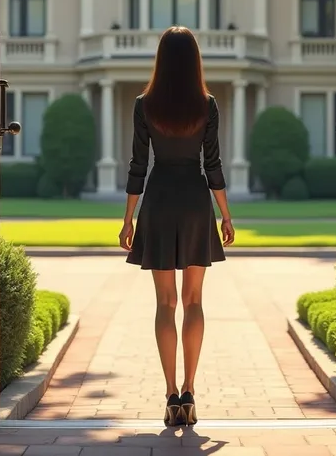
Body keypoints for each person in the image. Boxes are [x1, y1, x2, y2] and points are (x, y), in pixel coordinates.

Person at [118, 26, 235, 428]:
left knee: (165, 304)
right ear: (195, 60)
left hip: (159, 200)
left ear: (161, 60)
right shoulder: (207, 104)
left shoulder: (144, 104)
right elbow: (213, 164)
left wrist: (128, 218)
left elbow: (138, 165)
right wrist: (226, 214)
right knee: (195, 301)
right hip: (196, 202)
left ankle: (169, 394)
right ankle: (190, 390)